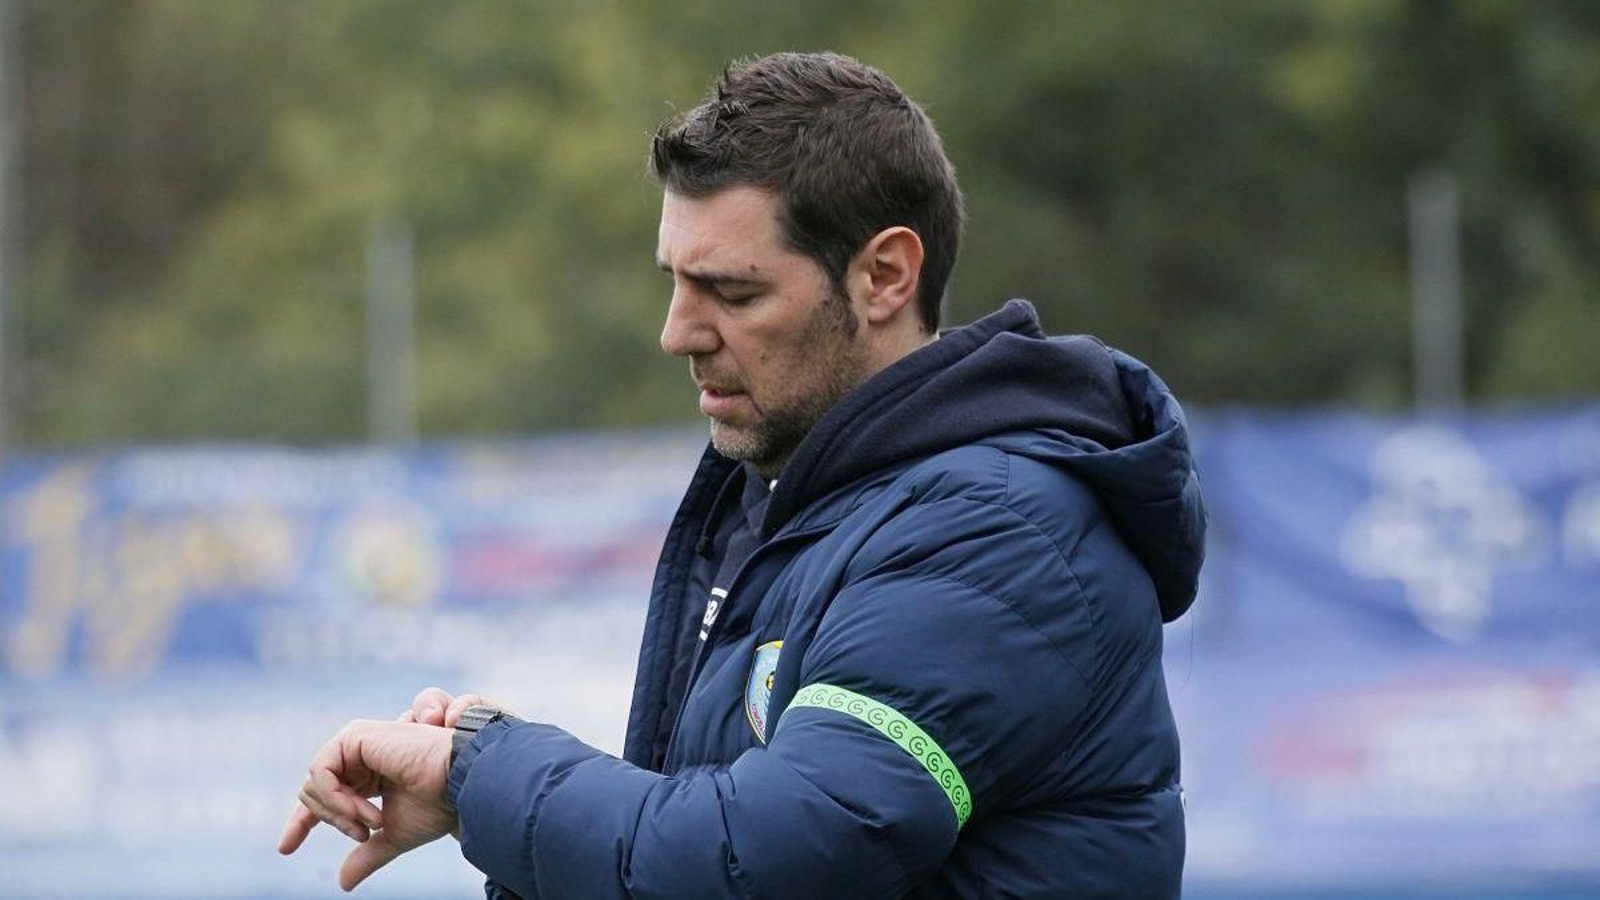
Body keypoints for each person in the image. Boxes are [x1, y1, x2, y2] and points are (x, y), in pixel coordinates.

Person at [279, 51, 1204, 899]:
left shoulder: (999, 532)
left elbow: (751, 863)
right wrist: (478, 786)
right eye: (675, 282)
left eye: (732, 291)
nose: (677, 332)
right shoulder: (799, 506)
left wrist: (481, 770)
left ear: (884, 275)